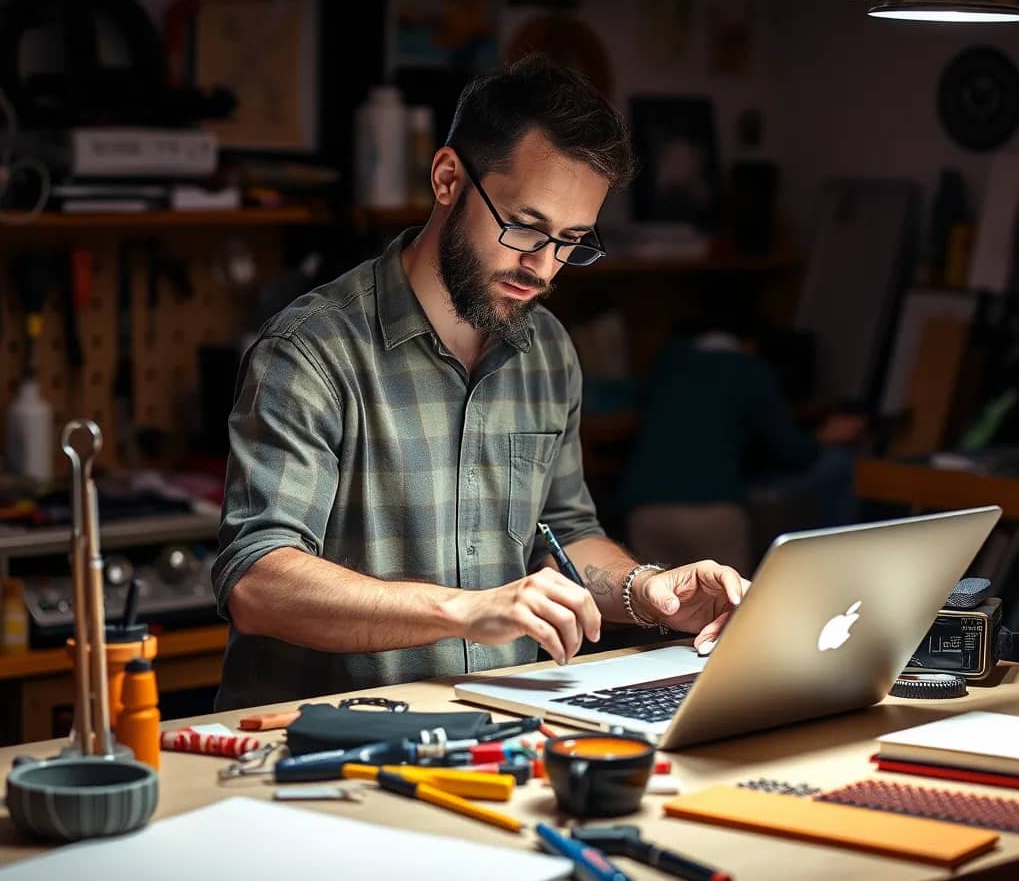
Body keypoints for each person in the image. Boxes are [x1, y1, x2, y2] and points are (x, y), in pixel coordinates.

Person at [212, 55, 748, 711]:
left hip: (493, 739)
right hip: (320, 753)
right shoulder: (313, 351)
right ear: (447, 179)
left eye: (570, 241)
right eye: (524, 226)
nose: (542, 267)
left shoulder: (546, 351)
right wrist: (465, 611)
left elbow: (564, 532)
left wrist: (647, 591)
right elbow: (257, 583)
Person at [618, 306, 862, 577]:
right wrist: (826, 435)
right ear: (750, 342)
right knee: (727, 611)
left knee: (656, 610)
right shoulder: (748, 369)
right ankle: (840, 566)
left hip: (644, 511)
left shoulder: (665, 362)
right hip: (712, 511)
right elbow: (793, 451)